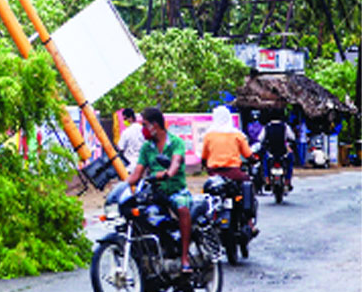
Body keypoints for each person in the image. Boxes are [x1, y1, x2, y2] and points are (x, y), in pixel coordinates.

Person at [126, 107, 193, 273]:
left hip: (176, 190)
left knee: (182, 209)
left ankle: (185, 258)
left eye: (145, 124)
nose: (142, 129)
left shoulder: (176, 142)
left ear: (155, 125)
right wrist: (121, 187)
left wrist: (168, 173)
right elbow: (137, 174)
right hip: (155, 193)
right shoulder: (146, 148)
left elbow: (176, 162)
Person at [201, 105, 258, 234]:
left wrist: (205, 164)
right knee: (247, 186)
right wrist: (253, 161)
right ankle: (249, 222)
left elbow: (204, 156)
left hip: (214, 173)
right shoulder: (237, 135)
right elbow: (248, 155)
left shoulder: (209, 135)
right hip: (234, 173)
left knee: (208, 195)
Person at [262, 119, 295, 191]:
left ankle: (267, 179)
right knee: (290, 161)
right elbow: (292, 137)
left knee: (265, 162)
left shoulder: (267, 126)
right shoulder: (285, 126)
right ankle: (287, 181)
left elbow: (260, 138)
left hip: (271, 152)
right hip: (282, 152)